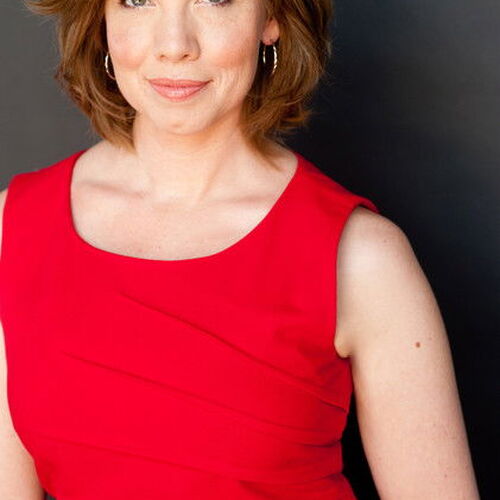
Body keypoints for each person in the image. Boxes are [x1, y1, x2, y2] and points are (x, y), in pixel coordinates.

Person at [0, 0, 480, 499]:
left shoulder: (361, 258)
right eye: (137, 0)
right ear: (101, 19)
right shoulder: (14, 229)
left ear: (271, 19)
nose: (174, 46)